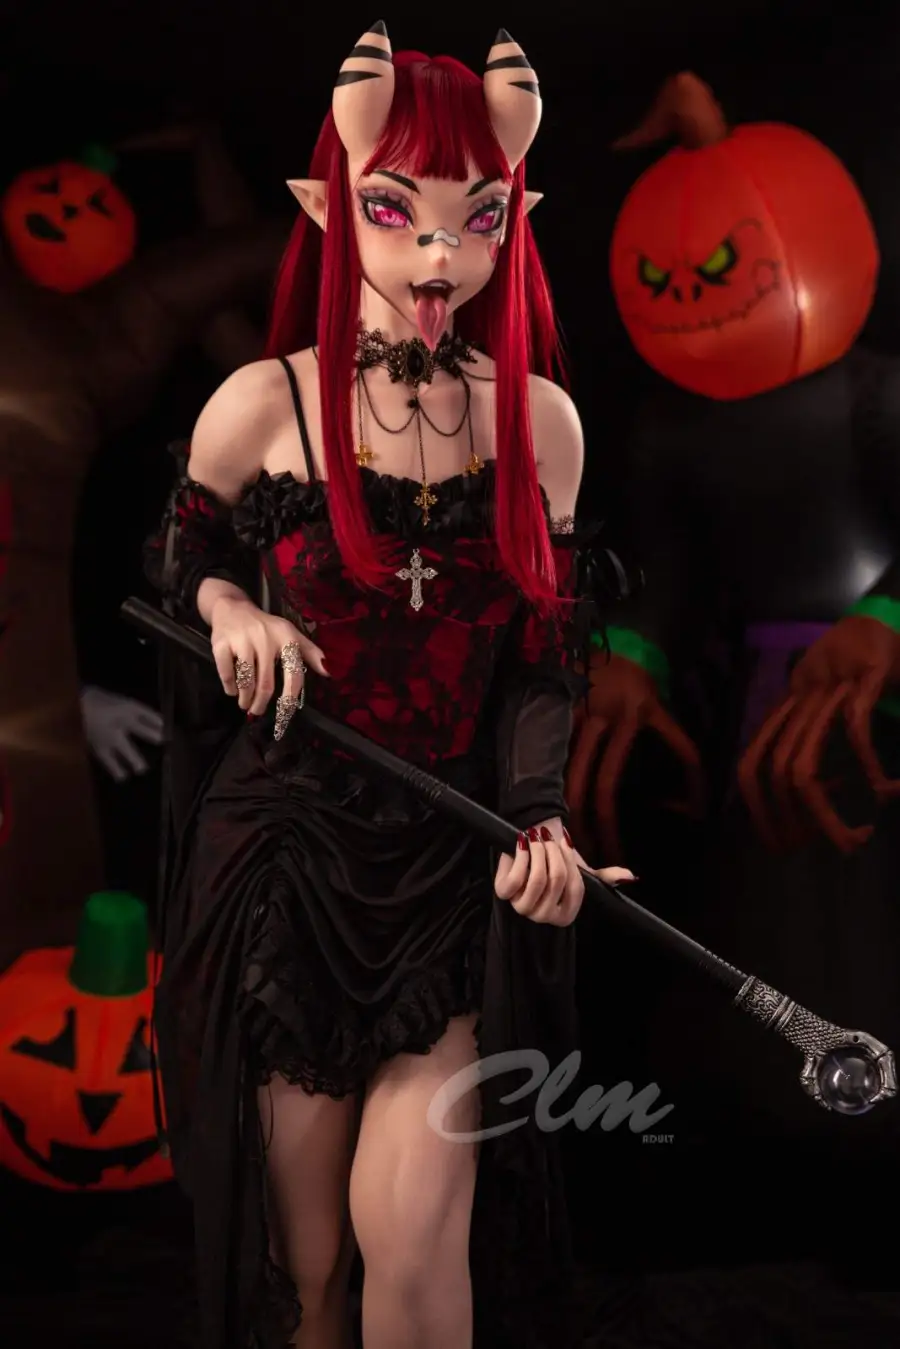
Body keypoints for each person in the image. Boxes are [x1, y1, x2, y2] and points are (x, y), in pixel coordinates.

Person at [144, 26, 631, 1349]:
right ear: (328, 206)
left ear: (515, 219)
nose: (437, 259)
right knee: (305, 1276)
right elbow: (180, 555)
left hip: (447, 875)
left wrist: (540, 819)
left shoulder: (540, 422)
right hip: (286, 865)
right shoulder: (262, 404)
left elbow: (543, 654)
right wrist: (228, 605)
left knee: (414, 1248)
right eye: (397, 213)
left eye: (477, 220)